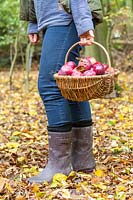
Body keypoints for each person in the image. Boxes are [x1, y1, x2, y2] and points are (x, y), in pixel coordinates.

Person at [25, 0, 98, 184]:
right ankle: (82, 159)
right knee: (71, 86)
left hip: (65, 17)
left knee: (50, 84)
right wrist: (34, 23)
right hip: (52, 19)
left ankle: (60, 165)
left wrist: (83, 22)